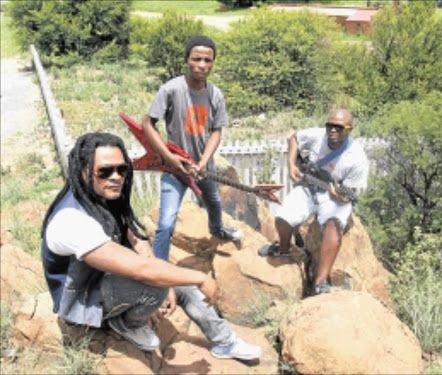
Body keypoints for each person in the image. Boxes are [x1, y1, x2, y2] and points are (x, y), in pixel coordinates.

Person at [41, 132, 262, 360]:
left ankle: (225, 341)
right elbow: (142, 270)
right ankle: (128, 323)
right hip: (83, 299)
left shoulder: (102, 199)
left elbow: (137, 240)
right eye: (105, 171)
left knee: (177, 281)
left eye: (122, 169)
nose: (116, 177)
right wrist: (200, 277)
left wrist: (172, 278)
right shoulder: (71, 220)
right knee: (157, 284)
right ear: (83, 171)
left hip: (102, 279)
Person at [141, 34, 241, 262]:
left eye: (208, 60)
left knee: (213, 202)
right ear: (187, 59)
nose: (202, 65)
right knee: (166, 222)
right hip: (175, 169)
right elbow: (147, 123)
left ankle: (217, 230)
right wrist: (169, 158)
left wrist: (204, 162)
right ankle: (159, 269)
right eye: (197, 59)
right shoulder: (171, 89)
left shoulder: (215, 94)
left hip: (203, 168)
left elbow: (217, 130)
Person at [258, 109, 369, 295]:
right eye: (330, 125)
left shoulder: (356, 158)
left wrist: (340, 197)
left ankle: (320, 281)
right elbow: (294, 138)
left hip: (333, 196)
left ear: (349, 130)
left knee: (333, 226)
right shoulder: (317, 135)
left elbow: (351, 193)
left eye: (339, 127)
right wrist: (292, 165)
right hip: (309, 188)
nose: (333, 130)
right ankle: (283, 248)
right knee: (282, 218)